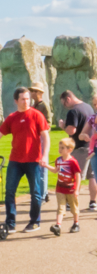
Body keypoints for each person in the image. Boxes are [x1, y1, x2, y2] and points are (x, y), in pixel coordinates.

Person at [0, 87, 50, 233]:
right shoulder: (12, 117)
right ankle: (10, 223)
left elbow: (45, 136)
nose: (26, 101)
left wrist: (45, 155)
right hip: (15, 160)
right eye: (23, 99)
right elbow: (1, 133)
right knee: (9, 191)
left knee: (35, 192)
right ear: (16, 101)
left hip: (33, 159)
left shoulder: (37, 115)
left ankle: (35, 221)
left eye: (28, 98)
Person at [58, 90, 97, 211]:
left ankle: (71, 202)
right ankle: (93, 202)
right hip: (92, 146)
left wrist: (62, 125)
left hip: (80, 147)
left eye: (64, 103)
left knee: (75, 176)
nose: (64, 106)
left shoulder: (73, 111)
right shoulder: (88, 107)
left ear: (68, 99)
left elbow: (71, 130)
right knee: (92, 176)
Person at [42, 137, 81, 236]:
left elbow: (78, 175)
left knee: (73, 207)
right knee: (60, 207)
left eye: (62, 148)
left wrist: (76, 190)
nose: (60, 150)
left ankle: (76, 223)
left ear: (69, 150)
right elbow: (55, 170)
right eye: (60, 147)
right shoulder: (58, 160)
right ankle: (58, 226)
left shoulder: (73, 162)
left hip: (71, 189)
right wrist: (46, 165)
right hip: (60, 189)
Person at [29, 82, 51, 203]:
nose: (31, 93)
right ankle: (44, 193)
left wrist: (40, 131)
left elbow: (49, 123)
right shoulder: (33, 106)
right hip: (33, 140)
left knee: (42, 167)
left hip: (41, 139)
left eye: (33, 91)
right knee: (35, 167)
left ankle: (42, 195)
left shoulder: (43, 106)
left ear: (39, 93)